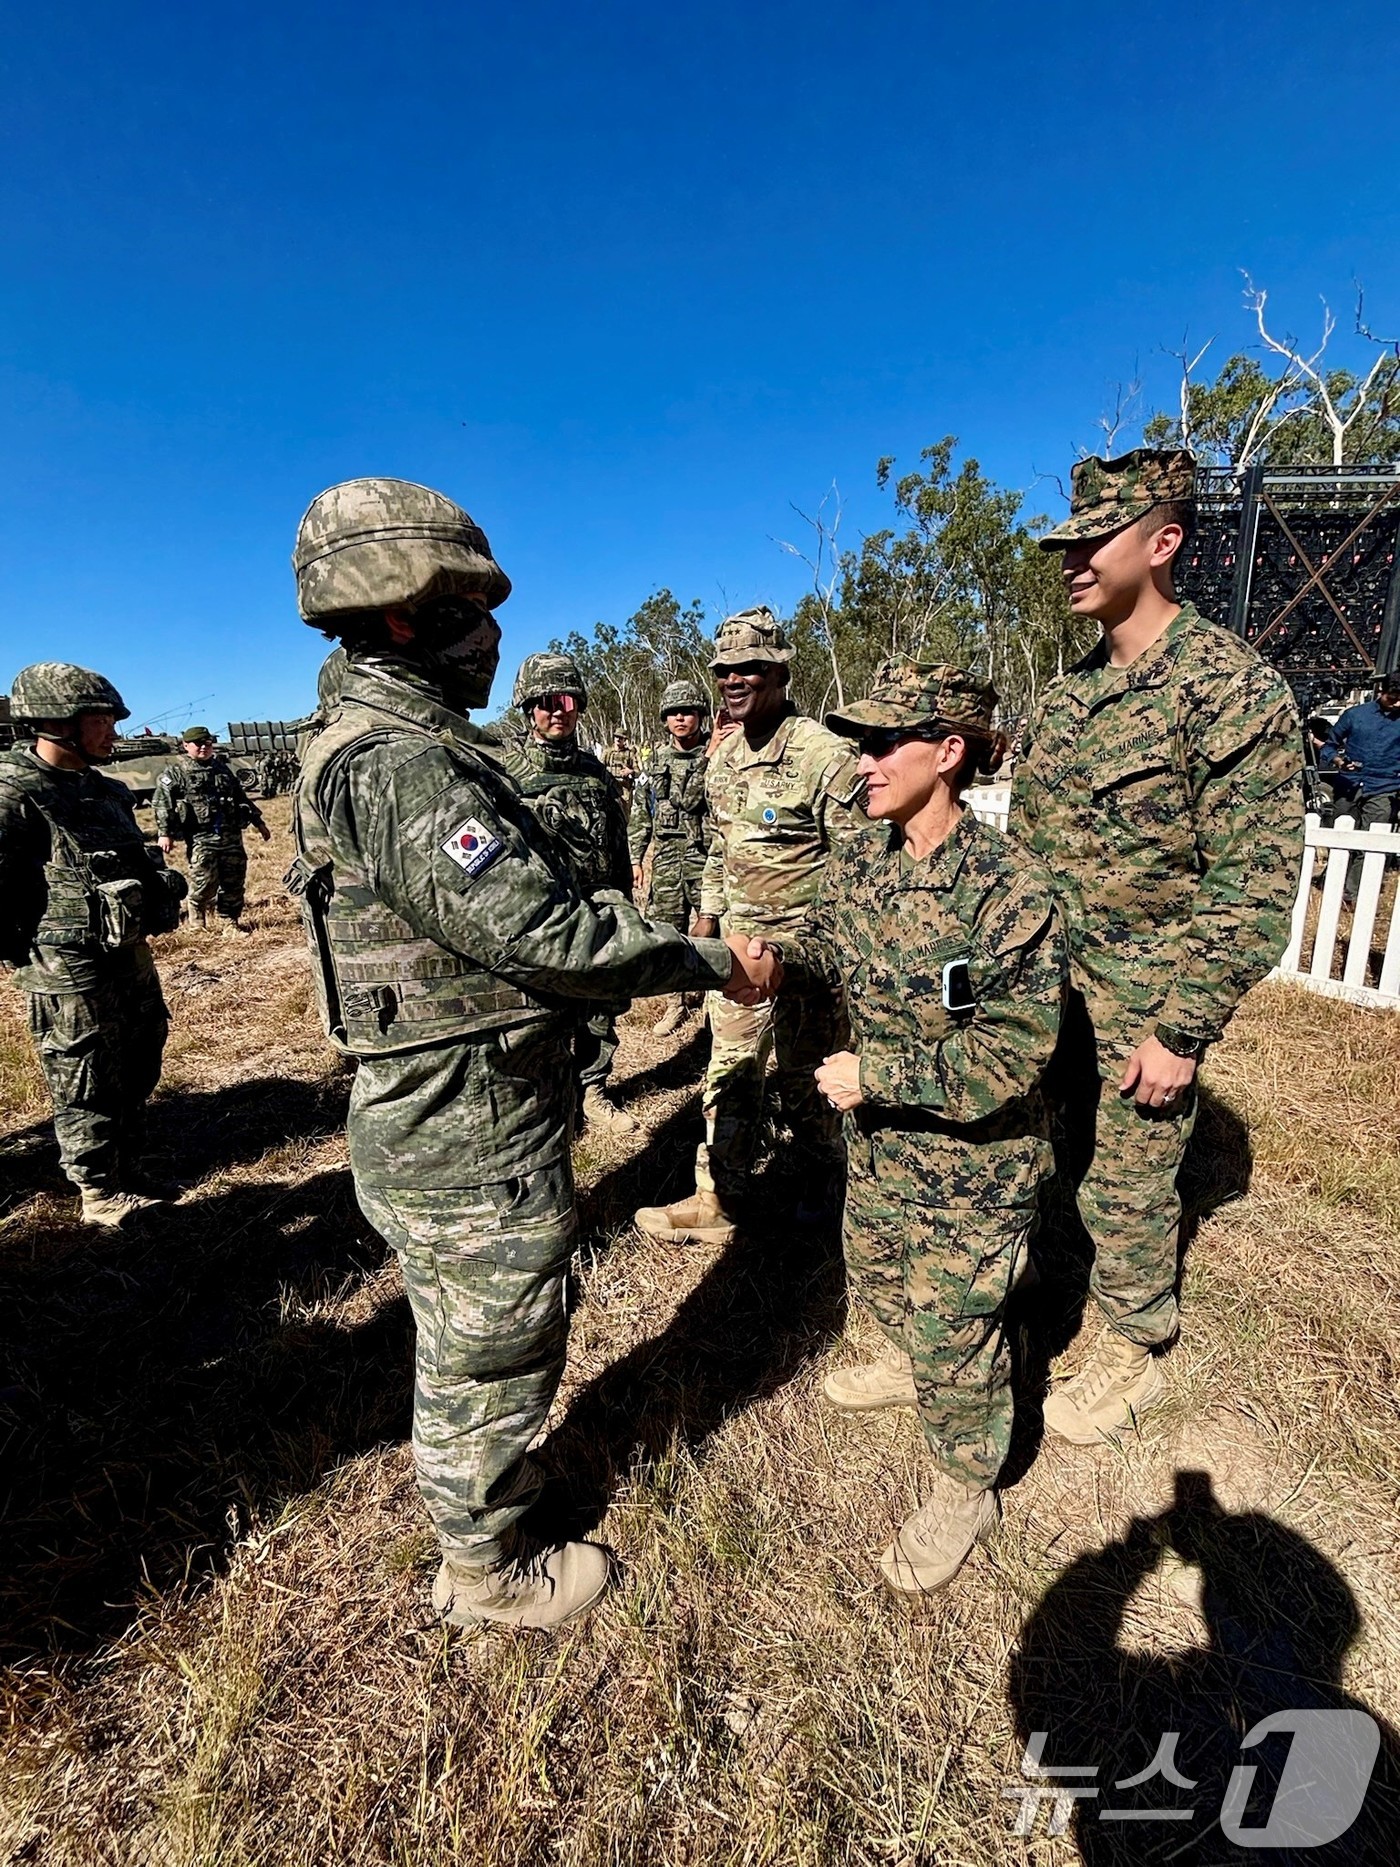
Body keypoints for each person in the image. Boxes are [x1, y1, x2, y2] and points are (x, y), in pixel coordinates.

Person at [287, 477, 778, 1630]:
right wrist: (708, 964)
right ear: (402, 613)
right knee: (490, 1345)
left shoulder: (392, 742)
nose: (495, 635)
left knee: (473, 1330)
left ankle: (487, 1498)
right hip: (463, 1117)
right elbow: (541, 929)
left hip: (453, 1099)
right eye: (470, 606)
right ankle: (487, 1569)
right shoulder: (401, 762)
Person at [1013, 449, 1303, 1444]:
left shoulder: (1228, 688)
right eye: (1065, 543)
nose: (1070, 560)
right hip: (1052, 991)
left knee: (1128, 1180)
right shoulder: (1063, 700)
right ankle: (1063, 1283)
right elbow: (1025, 859)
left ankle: (1133, 1338)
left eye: (1092, 541)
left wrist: (1180, 1029)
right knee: (1056, 1158)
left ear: (1163, 541)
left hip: (1146, 997)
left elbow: (1252, 879)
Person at [789, 659, 1065, 1594]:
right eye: (858, 743)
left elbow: (1017, 1048)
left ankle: (967, 1481)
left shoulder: (1010, 886)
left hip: (974, 1165)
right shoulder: (867, 855)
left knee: (956, 1318)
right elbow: (829, 937)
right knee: (876, 1277)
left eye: (882, 743)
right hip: (880, 1152)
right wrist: (772, 961)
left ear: (949, 754)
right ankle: (927, 1369)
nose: (862, 761)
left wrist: (881, 1073)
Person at [635, 607, 866, 1248]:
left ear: (781, 671)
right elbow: (717, 846)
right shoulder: (723, 758)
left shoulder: (825, 757)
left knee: (808, 1081)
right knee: (728, 1074)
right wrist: (707, 921)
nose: (735, 680)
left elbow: (863, 865)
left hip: (808, 959)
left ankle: (832, 1191)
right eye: (725, 671)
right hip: (737, 956)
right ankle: (720, 1197)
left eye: (751, 668)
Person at [0, 663, 186, 1228]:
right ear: (56, 724)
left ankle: (127, 1165)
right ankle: (98, 1188)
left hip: (122, 948)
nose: (112, 732)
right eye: (100, 720)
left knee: (140, 1051)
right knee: (82, 1070)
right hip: (64, 962)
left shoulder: (106, 790)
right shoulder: (14, 792)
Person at [497, 652, 640, 1136]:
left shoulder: (595, 772)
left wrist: (625, 900)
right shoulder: (507, 774)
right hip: (542, 917)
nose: (557, 710)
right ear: (528, 708)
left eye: (567, 700)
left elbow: (616, 841)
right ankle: (549, 1103)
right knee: (542, 1016)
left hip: (598, 908)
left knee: (600, 1009)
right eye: (545, 702)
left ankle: (594, 1089)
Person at [628, 679, 712, 1036]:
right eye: (674, 713)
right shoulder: (656, 761)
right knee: (669, 933)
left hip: (706, 857)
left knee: (714, 931)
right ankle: (676, 1003)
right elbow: (640, 812)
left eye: (688, 712)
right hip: (666, 859)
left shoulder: (718, 753)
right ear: (664, 719)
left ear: (700, 715)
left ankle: (713, 1004)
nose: (681, 719)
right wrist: (636, 857)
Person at [153, 726, 271, 934]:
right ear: (186, 745)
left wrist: (258, 822)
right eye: (199, 744)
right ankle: (197, 923)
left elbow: (240, 798)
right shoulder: (176, 772)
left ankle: (229, 923)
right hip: (201, 836)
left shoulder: (222, 769)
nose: (204, 748)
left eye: (208, 744)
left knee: (234, 881)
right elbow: (163, 803)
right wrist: (165, 833)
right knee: (204, 881)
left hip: (231, 835)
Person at [1319, 671, 1400, 900]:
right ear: (1381, 692)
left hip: (1385, 786)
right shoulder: (1355, 715)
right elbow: (1329, 747)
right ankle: (1332, 879)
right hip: (1349, 784)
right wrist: (1339, 762)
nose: (1398, 703)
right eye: (1393, 697)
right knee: (1341, 836)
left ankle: (1352, 894)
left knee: (1370, 839)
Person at [602, 730, 638, 810]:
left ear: (624, 740)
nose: (618, 739)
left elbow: (638, 771)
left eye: (621, 737)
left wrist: (630, 771)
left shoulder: (629, 754)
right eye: (616, 737)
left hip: (624, 790)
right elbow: (600, 769)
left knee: (624, 816)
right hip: (609, 789)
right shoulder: (607, 753)